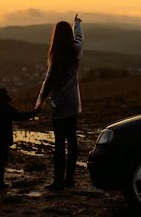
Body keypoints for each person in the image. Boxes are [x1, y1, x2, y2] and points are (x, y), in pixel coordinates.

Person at [35, 14, 83, 191]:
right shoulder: (75, 50)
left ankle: (58, 181)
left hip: (59, 105)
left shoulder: (56, 55)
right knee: (72, 141)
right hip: (73, 104)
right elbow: (80, 38)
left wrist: (40, 100)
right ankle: (70, 179)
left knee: (59, 142)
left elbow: (49, 80)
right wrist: (77, 24)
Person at [0, 88, 36, 190]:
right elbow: (20, 116)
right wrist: (33, 113)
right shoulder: (7, 108)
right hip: (4, 141)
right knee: (1, 162)